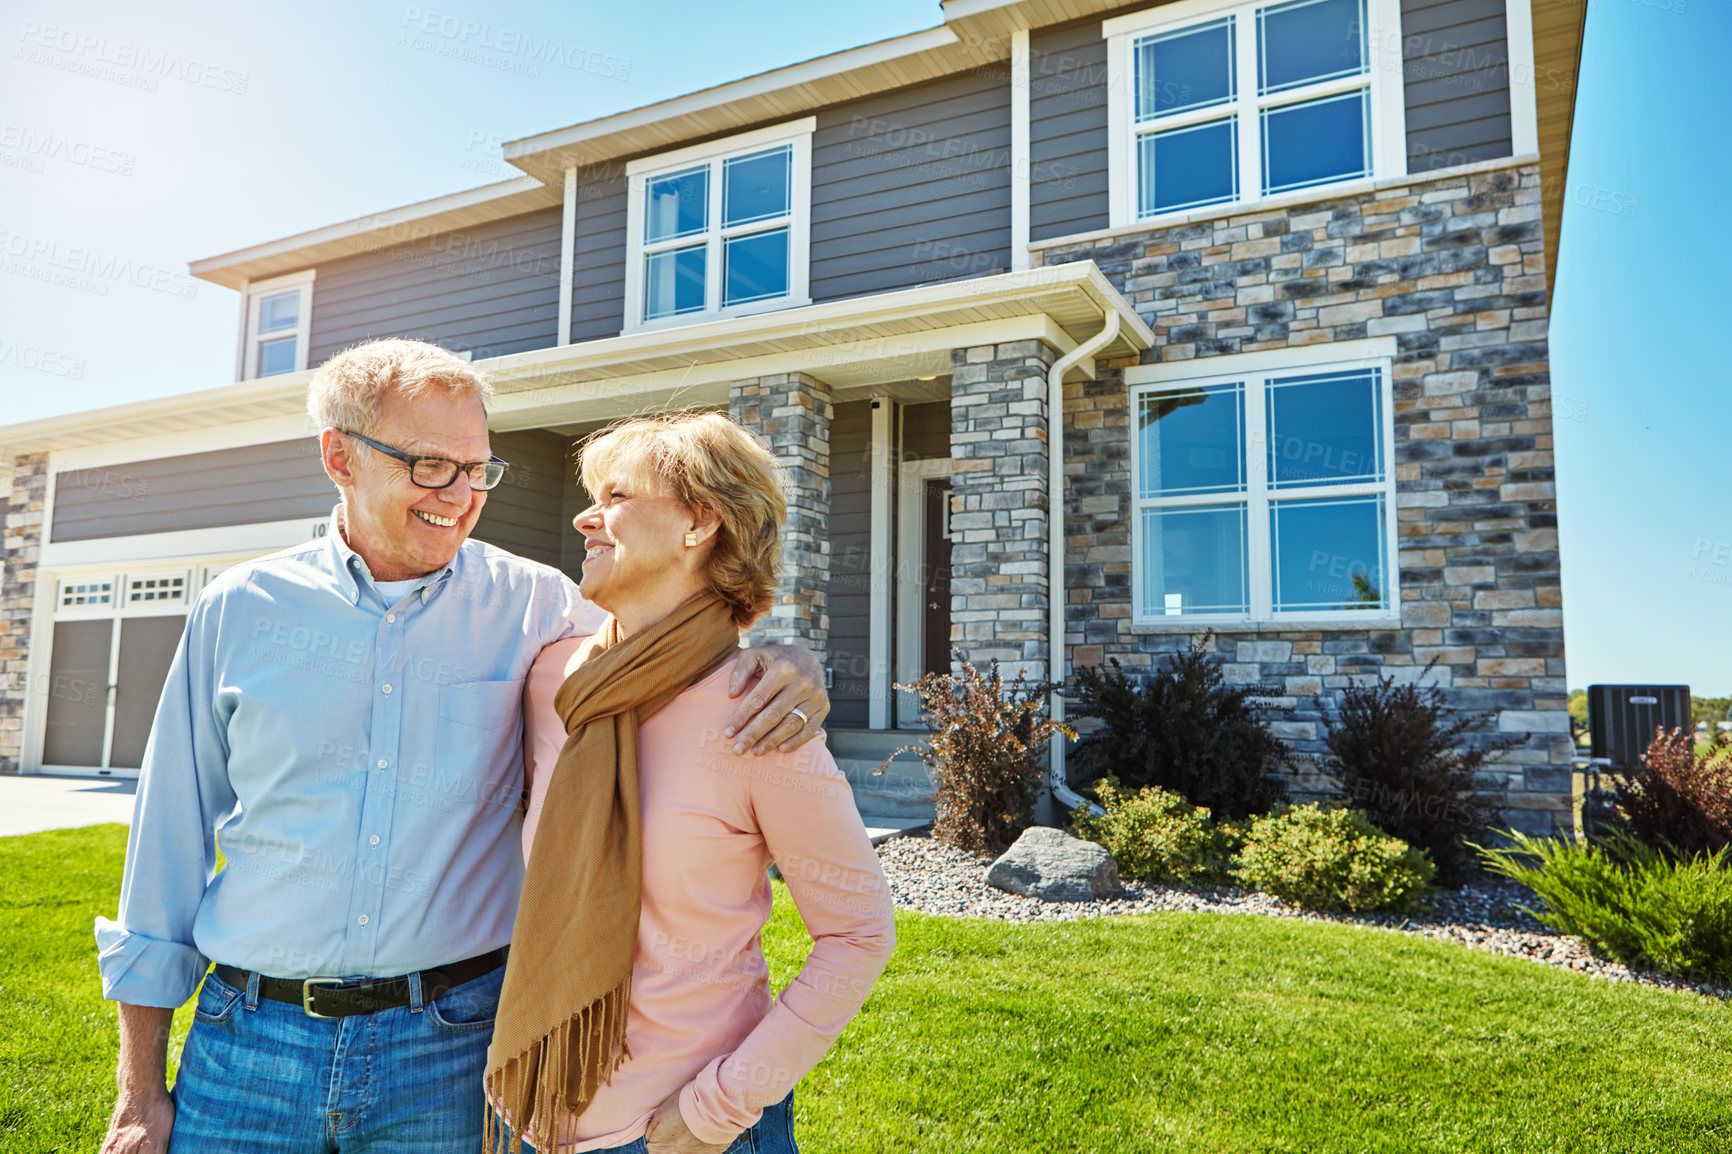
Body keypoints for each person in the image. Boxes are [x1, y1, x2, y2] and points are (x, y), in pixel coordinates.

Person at [96, 340, 831, 1154]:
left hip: (451, 1047)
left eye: (478, 468)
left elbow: (675, 652)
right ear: (340, 456)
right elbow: (165, 847)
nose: (461, 494)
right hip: (250, 1049)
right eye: (431, 465)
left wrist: (787, 657)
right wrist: (138, 1092)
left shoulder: (541, 609)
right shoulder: (239, 609)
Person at [491, 412, 894, 1154]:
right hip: (538, 1114)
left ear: (699, 522)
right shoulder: (553, 678)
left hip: (679, 1130)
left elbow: (859, 934)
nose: (586, 516)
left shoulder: (758, 716)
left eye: (615, 496)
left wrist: (719, 1107)